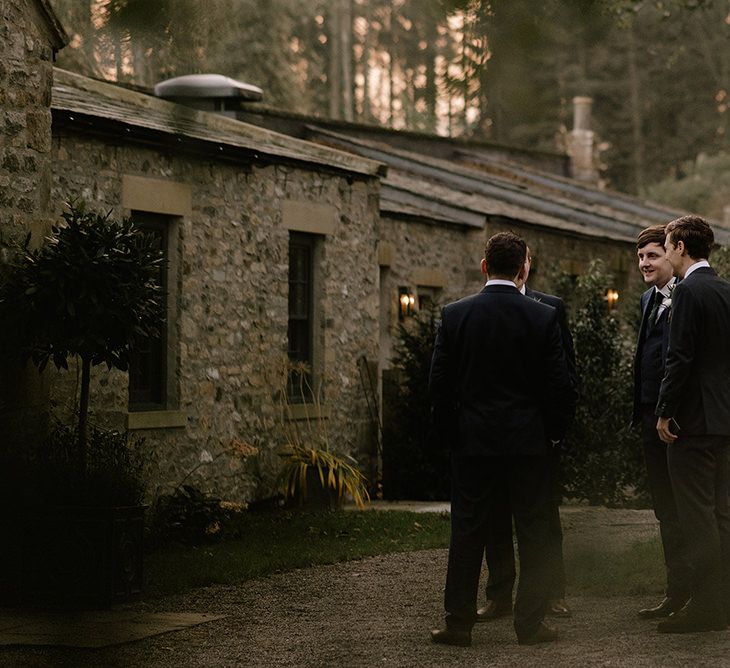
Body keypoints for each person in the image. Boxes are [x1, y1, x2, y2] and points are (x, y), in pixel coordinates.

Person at [429, 231, 575, 647]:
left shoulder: (455, 315)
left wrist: (451, 437)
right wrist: (553, 434)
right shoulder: (542, 316)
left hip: (472, 444)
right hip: (528, 444)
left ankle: (458, 624)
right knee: (533, 533)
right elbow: (559, 386)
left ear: (484, 266)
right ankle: (530, 625)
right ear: (523, 268)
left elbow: (438, 385)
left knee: (467, 532)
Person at [477, 249, 577, 622]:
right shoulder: (479, 307)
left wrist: (556, 430)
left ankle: (553, 592)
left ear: (528, 266)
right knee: (495, 518)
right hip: (490, 439)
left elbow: (565, 373)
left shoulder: (550, 307)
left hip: (538, 436)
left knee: (543, 518)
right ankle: (499, 595)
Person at [654, 215, 730, 633]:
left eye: (667, 245)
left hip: (694, 423)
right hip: (724, 420)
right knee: (722, 514)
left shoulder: (687, 293)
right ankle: (722, 604)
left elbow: (678, 358)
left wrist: (664, 411)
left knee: (697, 517)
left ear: (681, 246)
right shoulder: (725, 290)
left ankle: (706, 610)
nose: (666, 253)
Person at [632, 225, 692, 620]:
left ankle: (699, 594)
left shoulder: (687, 298)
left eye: (653, 255)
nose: (645, 264)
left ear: (671, 256)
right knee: (665, 513)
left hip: (680, 425)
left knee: (689, 510)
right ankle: (676, 591)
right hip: (649, 421)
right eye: (640, 258)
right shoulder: (645, 300)